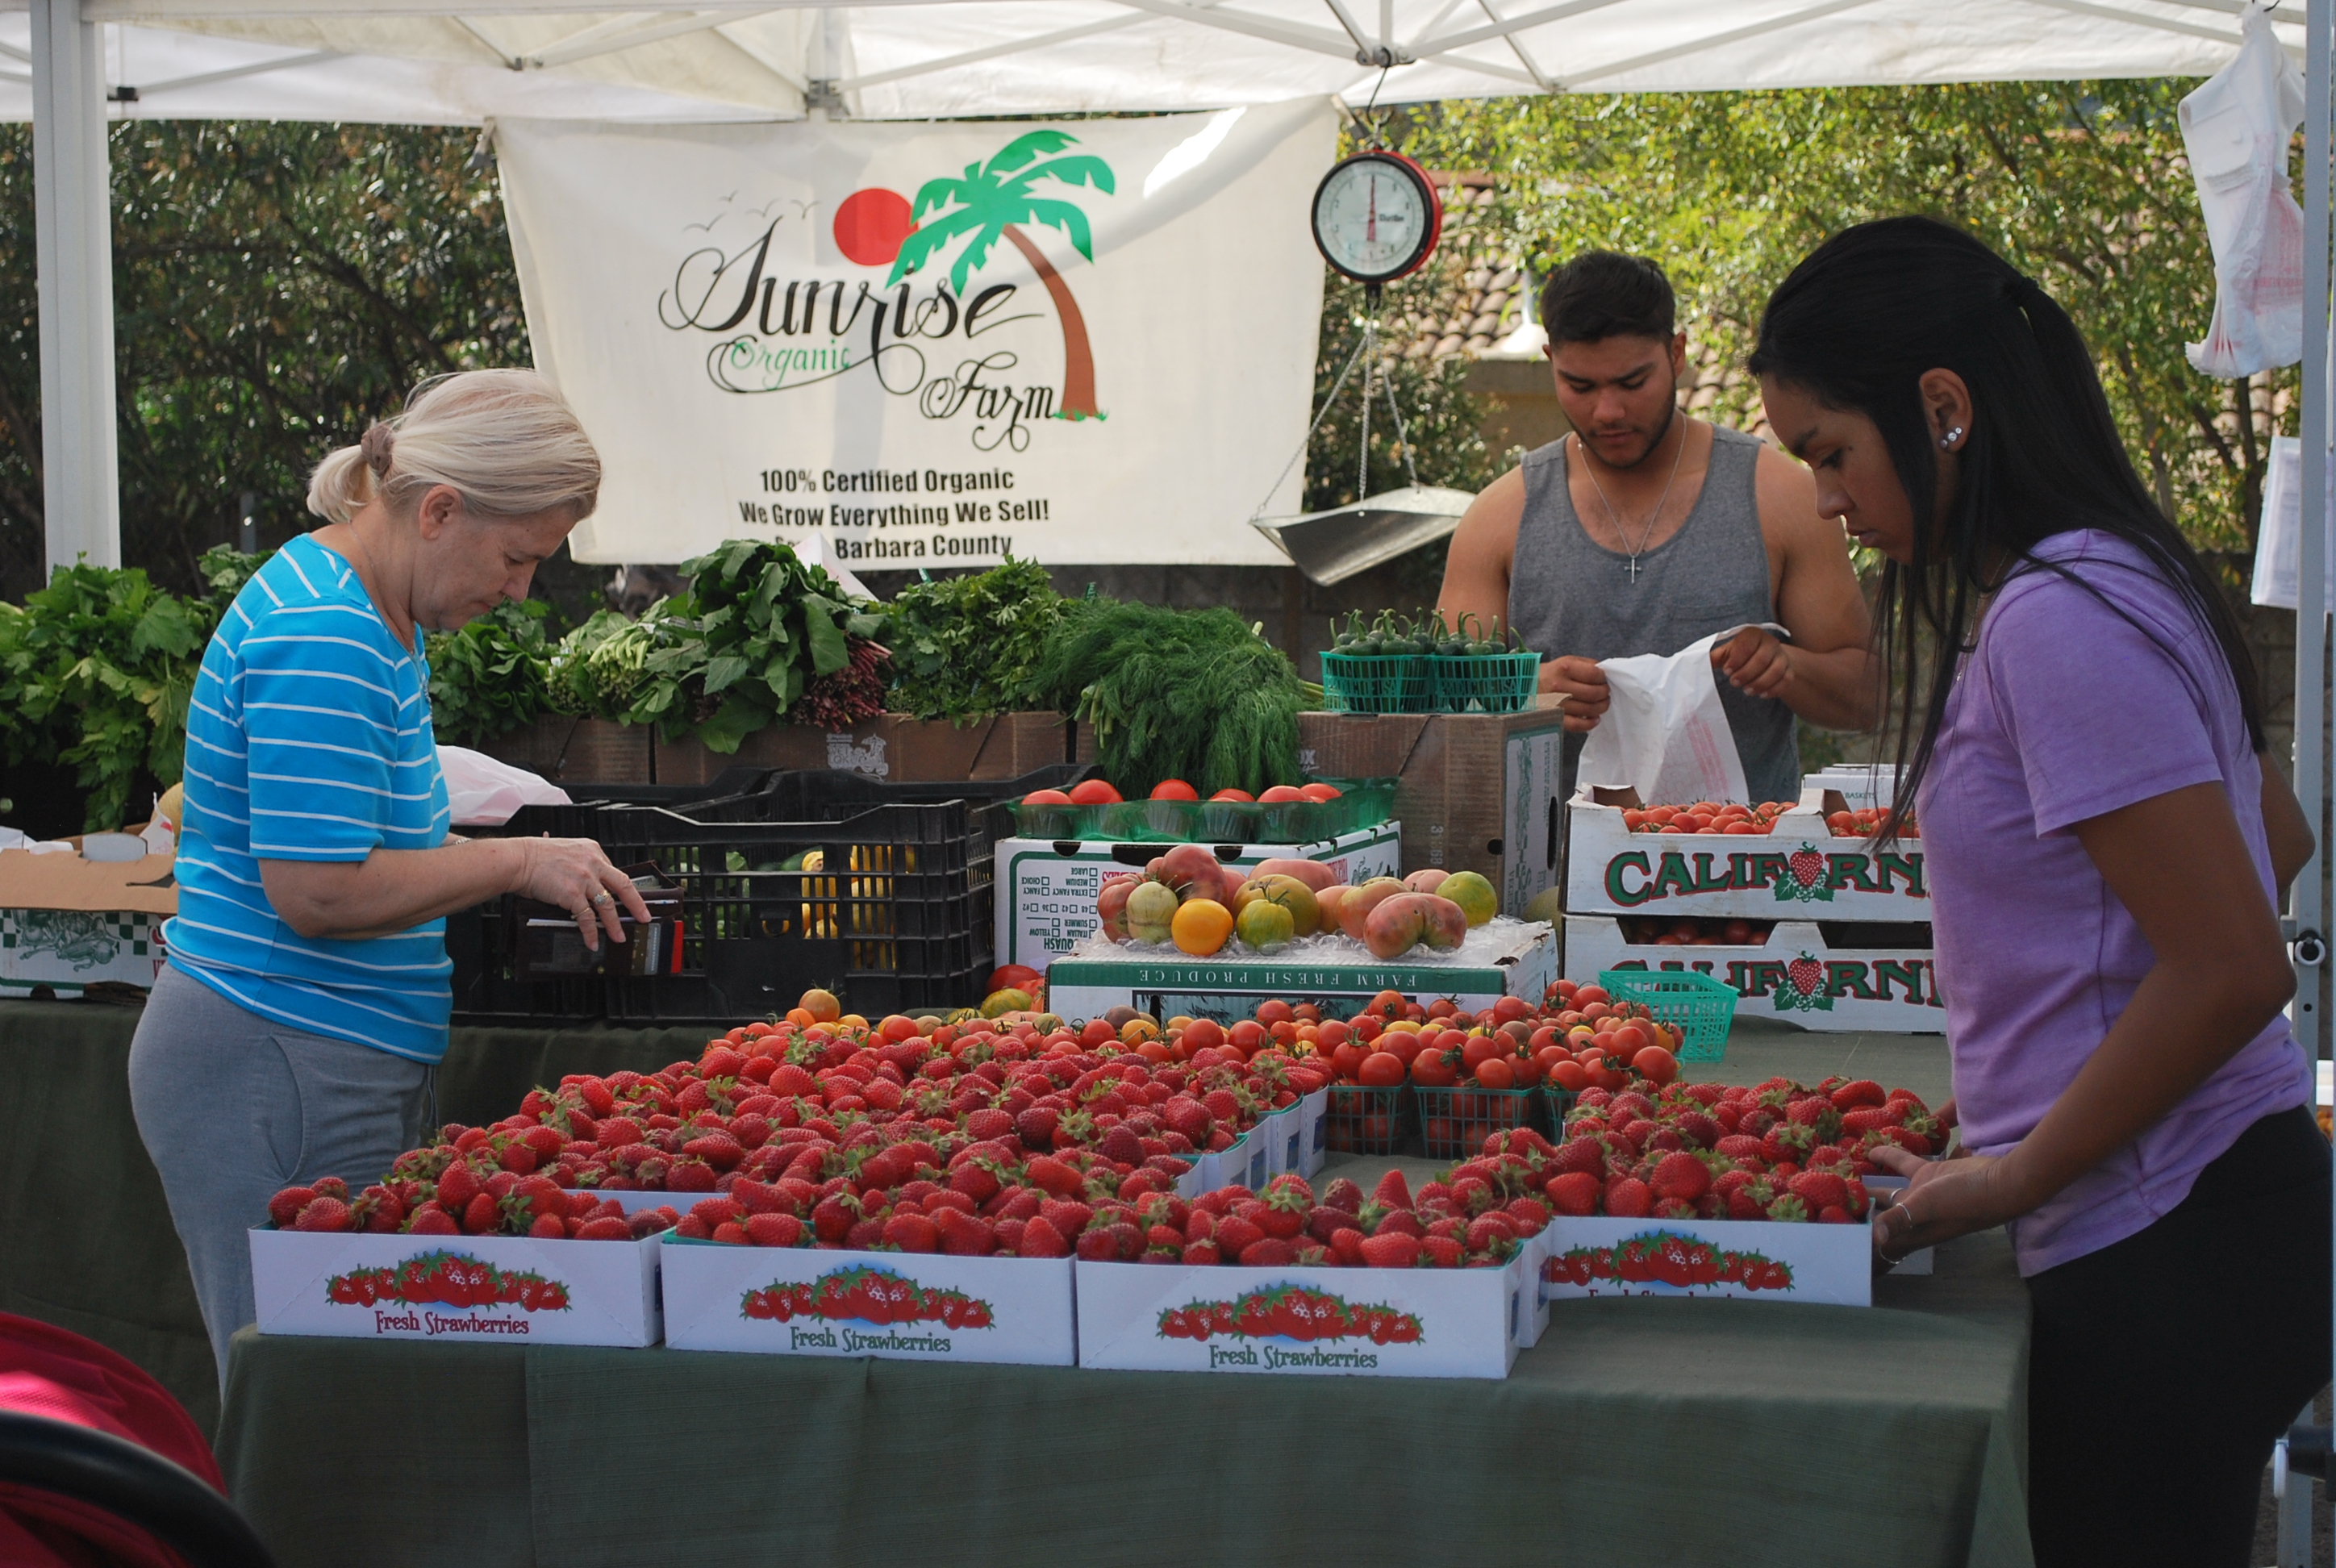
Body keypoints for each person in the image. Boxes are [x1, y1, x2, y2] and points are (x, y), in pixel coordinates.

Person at [1752, 216, 2327, 1568]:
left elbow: (2239, 961)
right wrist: (2044, 1054)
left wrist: (2020, 1160)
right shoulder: (2116, 570)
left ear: (1941, 409)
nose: (1827, 501)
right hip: (2207, 1211)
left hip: (2170, 1236)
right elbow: (2277, 838)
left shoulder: (2055, 616)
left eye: (1832, 452)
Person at [127, 370, 652, 1391]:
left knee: (338, 1404)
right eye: (516, 558)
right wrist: (517, 860)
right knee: (309, 1407)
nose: (518, 590)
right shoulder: (326, 635)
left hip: (306, 1052)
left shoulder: (368, 614)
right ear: (440, 510)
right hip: (273, 1058)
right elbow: (318, 894)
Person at [1438, 250, 1879, 802]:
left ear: (1677, 353)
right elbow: (1430, 705)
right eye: (1580, 385)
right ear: (1550, 360)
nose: (1607, 412)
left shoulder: (1780, 495)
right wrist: (1524, 690)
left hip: (1738, 872)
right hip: (1551, 881)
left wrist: (1787, 668)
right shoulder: (1499, 518)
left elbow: (1866, 696)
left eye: (1631, 382)